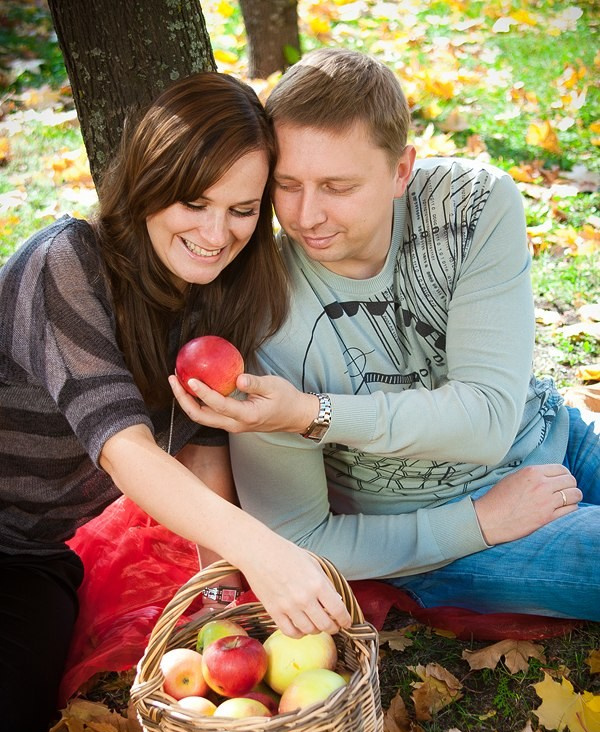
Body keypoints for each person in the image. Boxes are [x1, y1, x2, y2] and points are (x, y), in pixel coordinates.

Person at [0, 71, 352, 732]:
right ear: (147, 179)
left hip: (27, 557)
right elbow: (127, 451)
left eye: (243, 209)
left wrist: (221, 595)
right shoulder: (65, 264)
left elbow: (202, 447)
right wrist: (265, 552)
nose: (217, 233)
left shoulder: (217, 295)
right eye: (195, 202)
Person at [170, 49, 600, 622]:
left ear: (401, 171)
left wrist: (311, 412)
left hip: (550, 434)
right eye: (287, 185)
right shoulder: (256, 312)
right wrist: (474, 524)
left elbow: (490, 421)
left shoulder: (469, 206)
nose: (306, 216)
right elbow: (298, 538)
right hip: (437, 528)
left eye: (337, 187)